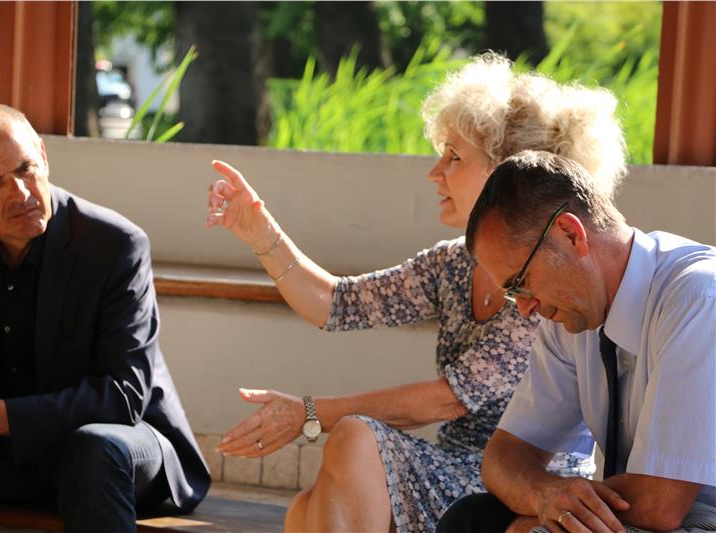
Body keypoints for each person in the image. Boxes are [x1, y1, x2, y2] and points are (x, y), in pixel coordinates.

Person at [204, 54, 627, 532]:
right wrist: (259, 232)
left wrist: (308, 413)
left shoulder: (547, 281)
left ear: (508, 174)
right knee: (307, 507)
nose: (434, 173)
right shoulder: (452, 262)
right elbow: (338, 303)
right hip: (454, 467)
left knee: (354, 440)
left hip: (526, 486)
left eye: (454, 157)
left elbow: (449, 400)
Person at [0, 104, 210, 532]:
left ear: (43, 155)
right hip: (5, 449)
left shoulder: (114, 244)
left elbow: (122, 397)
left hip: (119, 444)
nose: (19, 193)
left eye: (26, 169)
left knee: (93, 449)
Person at [437, 151, 716, 533]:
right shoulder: (571, 315)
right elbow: (504, 456)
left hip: (700, 517)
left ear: (570, 234)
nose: (525, 308)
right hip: (655, 515)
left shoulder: (699, 297)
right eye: (512, 295)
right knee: (470, 518)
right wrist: (544, 498)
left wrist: (542, 518)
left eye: (521, 283)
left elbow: (661, 504)